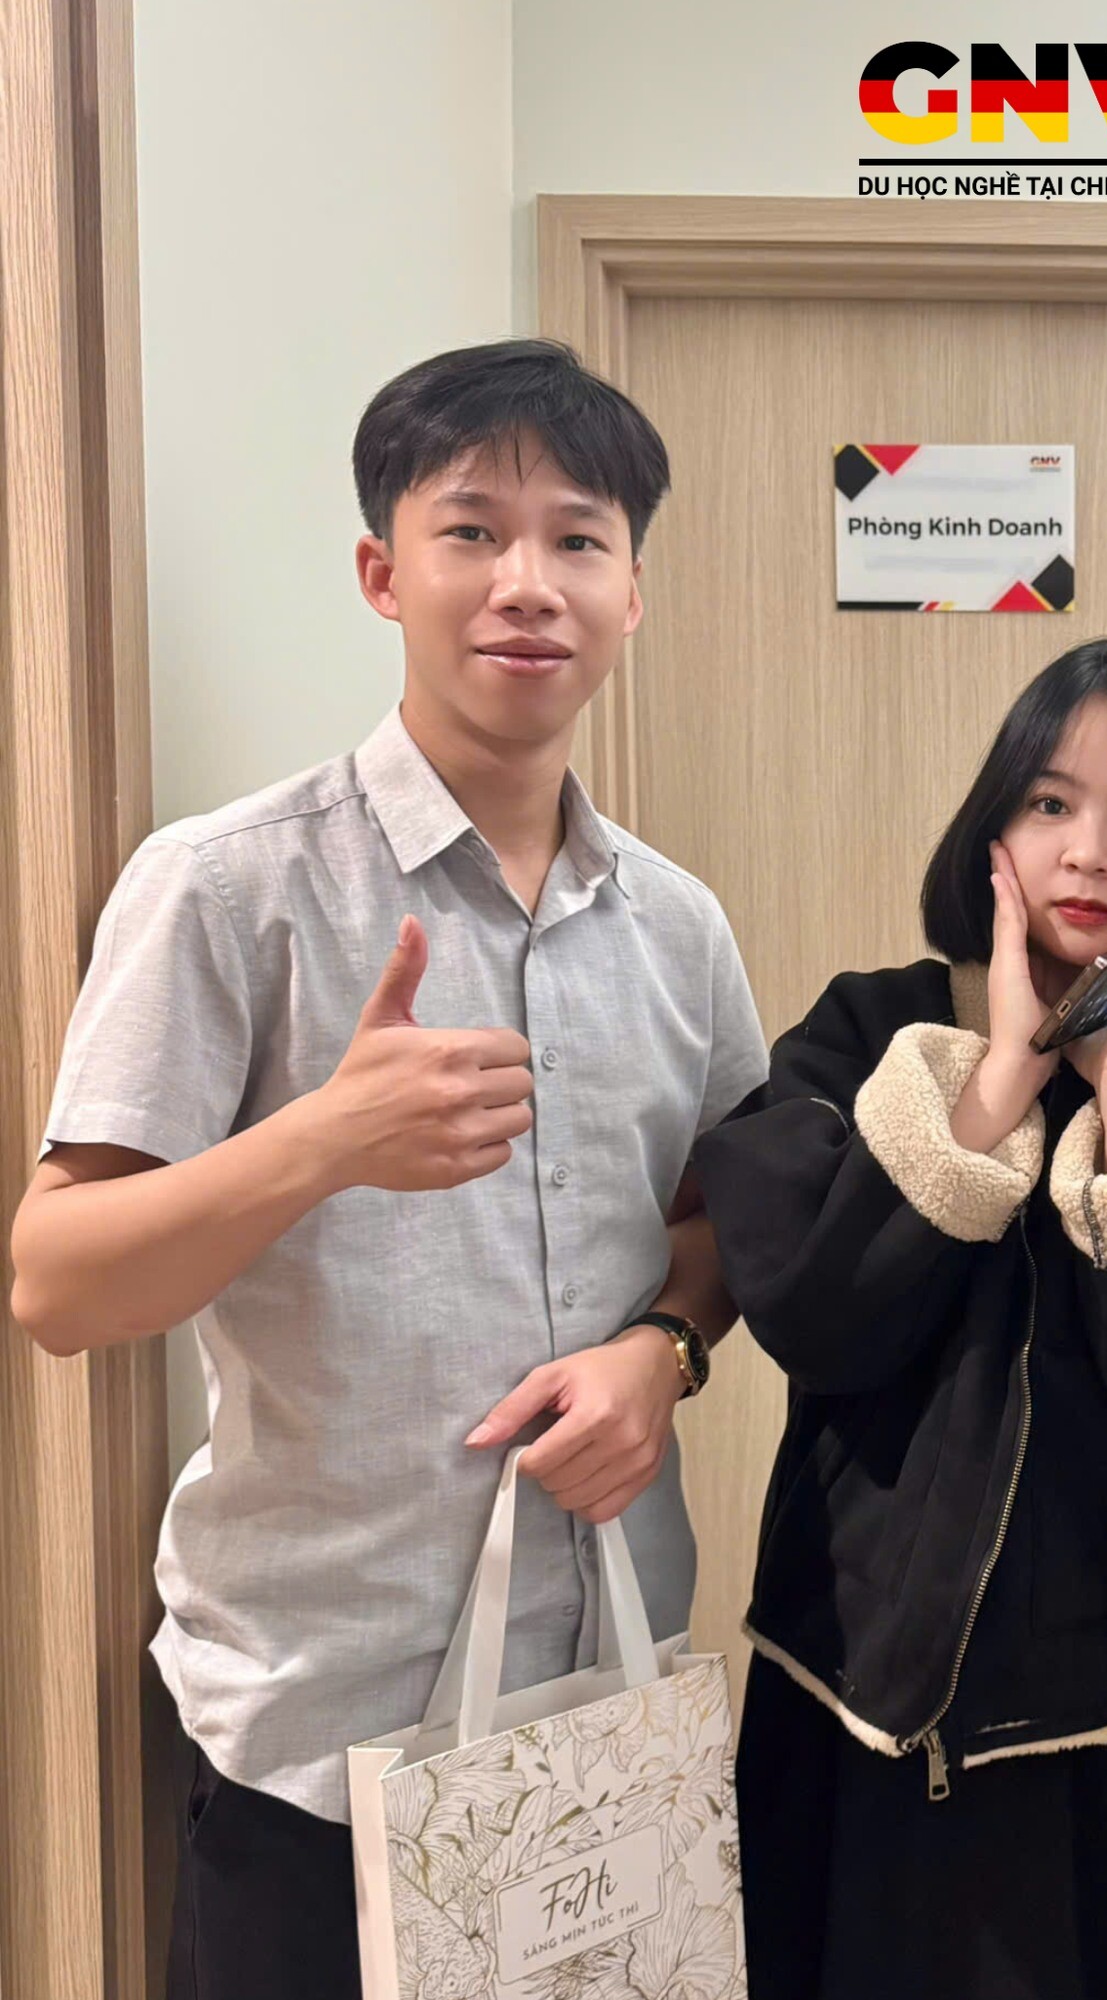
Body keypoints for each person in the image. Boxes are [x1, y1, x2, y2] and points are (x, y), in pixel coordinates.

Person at [7, 339, 767, 2000]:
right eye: (471, 530)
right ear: (383, 573)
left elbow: (719, 1227)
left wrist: (665, 1351)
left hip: (598, 1717)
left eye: (578, 539)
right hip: (319, 1745)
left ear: (633, 593)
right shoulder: (228, 887)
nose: (527, 582)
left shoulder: (679, 928)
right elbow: (56, 1284)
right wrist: (321, 1142)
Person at [691, 638, 1107, 1999]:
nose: (1088, 852)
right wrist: (995, 1090)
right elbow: (816, 1319)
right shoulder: (866, 1039)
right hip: (851, 1703)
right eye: (1050, 803)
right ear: (993, 829)